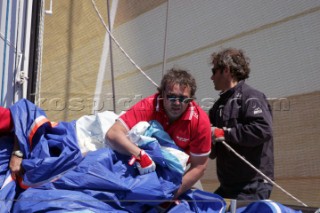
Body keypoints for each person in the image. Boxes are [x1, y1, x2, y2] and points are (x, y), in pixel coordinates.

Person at [106, 68, 212, 199]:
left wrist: (172, 195)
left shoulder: (200, 121)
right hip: (141, 166)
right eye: (171, 96)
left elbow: (199, 166)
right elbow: (113, 134)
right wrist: (140, 155)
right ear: (162, 94)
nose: (177, 103)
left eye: (183, 98)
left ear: (191, 99)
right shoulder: (148, 105)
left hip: (177, 174)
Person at [208, 48, 274, 200]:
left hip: (252, 186)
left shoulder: (251, 97)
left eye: (214, 71)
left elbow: (263, 129)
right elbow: (212, 152)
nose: (211, 77)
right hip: (227, 186)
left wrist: (222, 133)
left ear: (226, 70)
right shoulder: (216, 107)